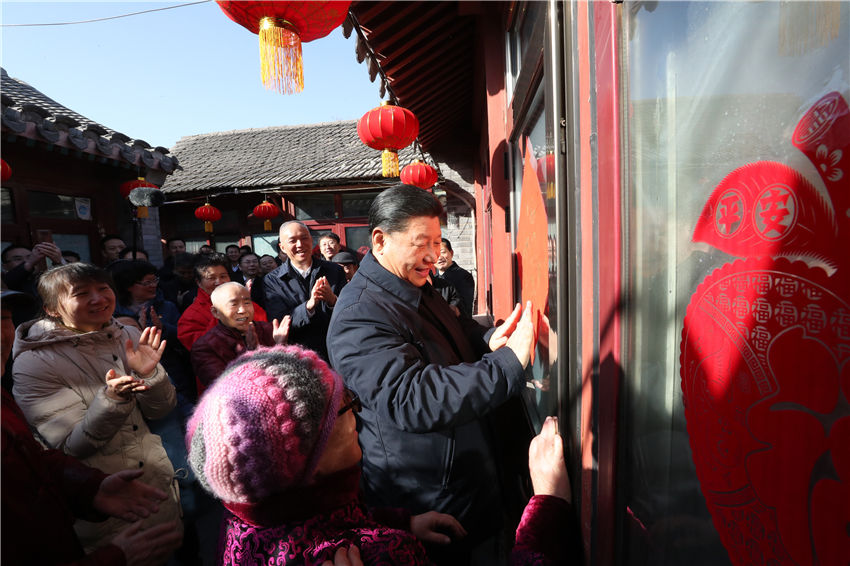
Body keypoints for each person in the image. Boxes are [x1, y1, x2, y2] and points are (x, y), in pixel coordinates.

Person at [327, 184, 536, 564]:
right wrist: (508, 365)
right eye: (422, 242)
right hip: (430, 496)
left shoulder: (414, 284)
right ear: (380, 240)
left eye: (439, 242)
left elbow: (451, 336)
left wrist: (488, 340)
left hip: (469, 475)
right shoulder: (360, 313)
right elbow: (412, 398)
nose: (434, 255)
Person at [186, 345, 466, 565]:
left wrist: (403, 522)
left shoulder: (242, 524)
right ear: (310, 464)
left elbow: (333, 516)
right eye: (344, 406)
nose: (357, 413)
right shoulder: (379, 553)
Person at [1, 288, 182, 566]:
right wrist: (112, 401)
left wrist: (91, 486)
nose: (97, 300)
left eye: (3, 318)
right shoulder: (33, 362)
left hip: (133, 493)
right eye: (83, 293)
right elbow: (70, 445)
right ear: (52, 308)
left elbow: (32, 462)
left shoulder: (127, 337)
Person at [264, 221, 346, 360]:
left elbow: (350, 311)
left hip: (336, 350)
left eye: (304, 238)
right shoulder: (273, 280)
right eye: (292, 241)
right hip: (298, 355)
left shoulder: (334, 270)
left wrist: (332, 300)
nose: (300, 245)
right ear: (282, 247)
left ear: (312, 241)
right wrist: (309, 305)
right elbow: (280, 322)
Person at [190, 282, 290, 392]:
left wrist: (281, 347)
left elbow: (288, 375)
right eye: (234, 304)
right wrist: (251, 353)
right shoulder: (204, 347)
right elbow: (225, 388)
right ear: (215, 312)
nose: (243, 310)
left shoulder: (270, 330)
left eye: (247, 303)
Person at [177, 255, 267, 351]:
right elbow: (199, 347)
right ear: (199, 282)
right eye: (211, 278)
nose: (219, 282)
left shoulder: (249, 306)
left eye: (223, 276)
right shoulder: (191, 315)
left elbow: (265, 332)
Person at [435, 238, 475, 317]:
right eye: (436, 253)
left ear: (451, 253)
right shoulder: (433, 279)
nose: (439, 257)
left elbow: (464, 309)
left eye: (443, 252)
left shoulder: (463, 276)